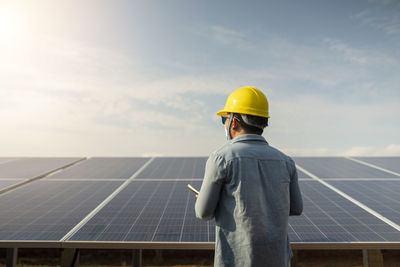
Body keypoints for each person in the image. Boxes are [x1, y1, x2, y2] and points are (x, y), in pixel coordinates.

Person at [195, 86, 303, 267]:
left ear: (234, 122)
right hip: (277, 260)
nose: (225, 124)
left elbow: (203, 212)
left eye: (225, 119)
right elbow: (296, 208)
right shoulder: (286, 161)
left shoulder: (221, 158)